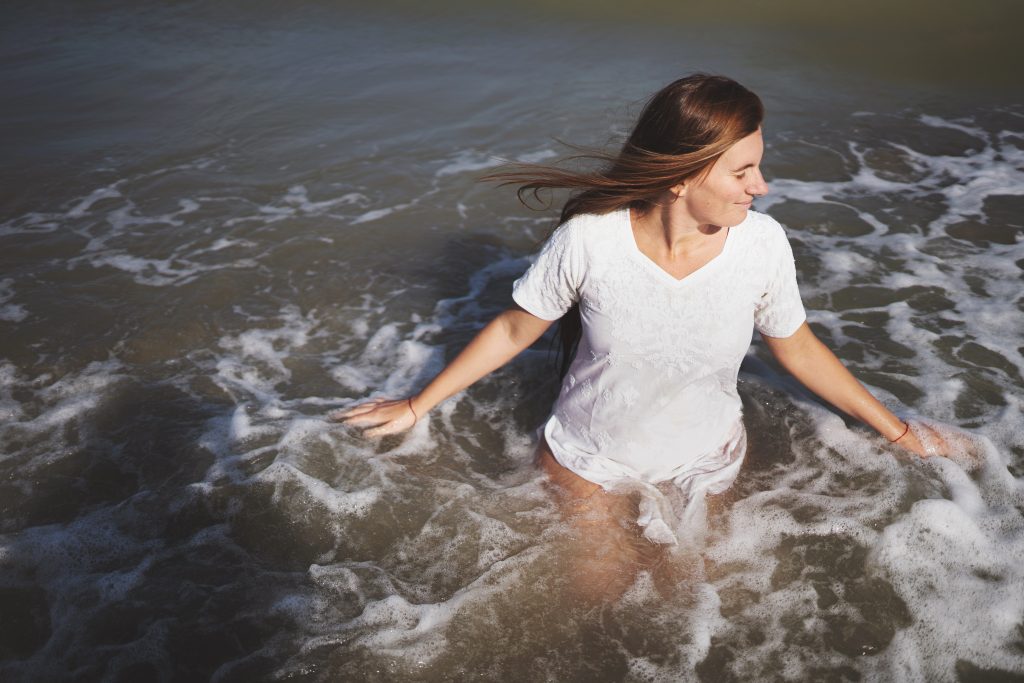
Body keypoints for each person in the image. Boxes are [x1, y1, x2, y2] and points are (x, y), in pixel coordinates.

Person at [331, 74, 947, 598]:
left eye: (758, 165)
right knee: (596, 595)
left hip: (710, 460)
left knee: (708, 600)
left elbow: (798, 346)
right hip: (589, 457)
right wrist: (416, 406)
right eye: (743, 170)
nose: (761, 186)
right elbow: (516, 327)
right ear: (681, 177)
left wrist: (897, 432)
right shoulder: (591, 242)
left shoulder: (762, 245)